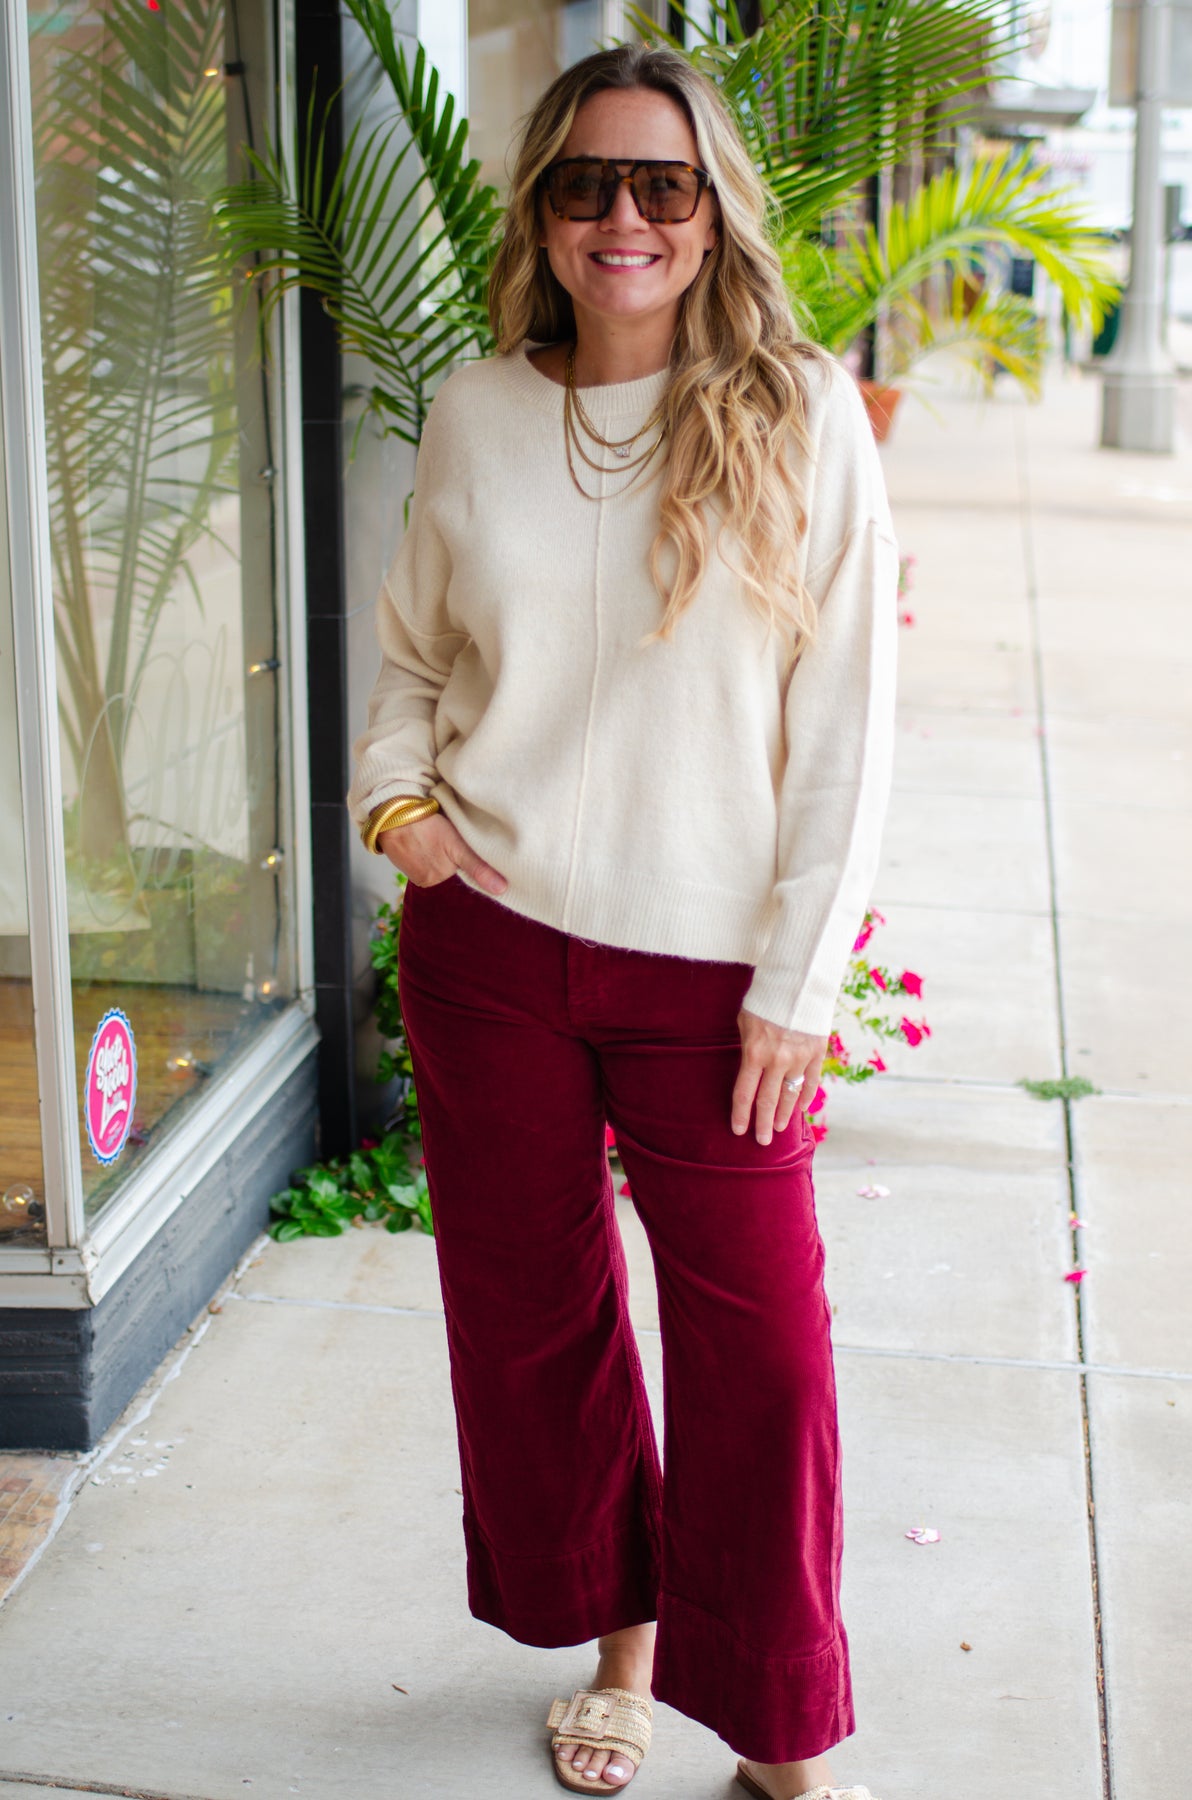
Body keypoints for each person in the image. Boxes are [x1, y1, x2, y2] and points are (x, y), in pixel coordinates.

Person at [347, 40, 897, 1800]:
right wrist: (400, 810)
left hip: (714, 977)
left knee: (763, 1347)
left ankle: (781, 1725)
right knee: (537, 1324)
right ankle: (623, 1650)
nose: (624, 218)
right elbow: (414, 655)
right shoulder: (476, 412)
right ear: (542, 211)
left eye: (663, 184)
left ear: (713, 211)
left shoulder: (802, 412)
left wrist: (799, 982)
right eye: (587, 184)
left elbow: (850, 723)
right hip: (494, 955)